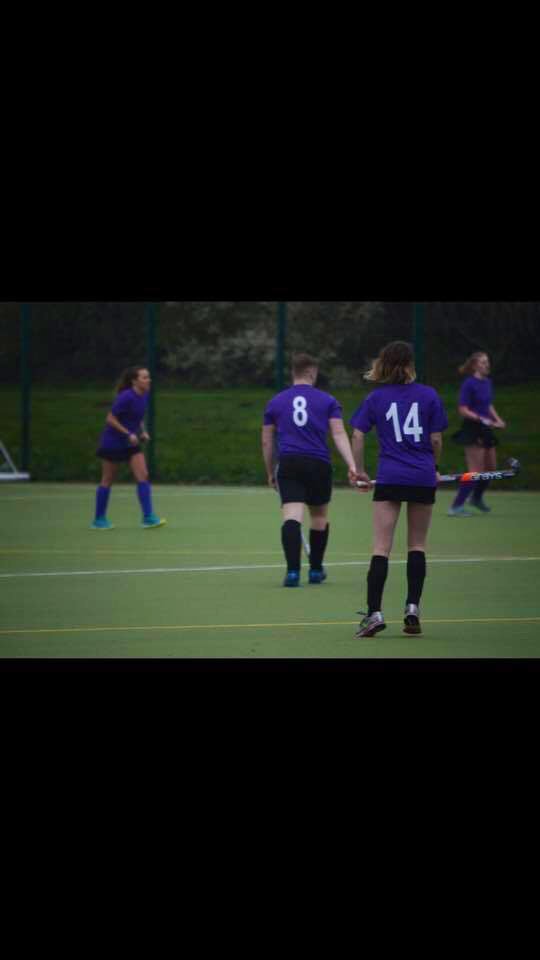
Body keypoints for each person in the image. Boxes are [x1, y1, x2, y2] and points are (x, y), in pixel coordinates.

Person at [350, 340, 448, 638]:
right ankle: (412, 608)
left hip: (390, 476)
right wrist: (433, 468)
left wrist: (359, 471)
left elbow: (357, 434)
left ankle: (374, 614)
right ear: (409, 364)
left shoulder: (376, 398)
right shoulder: (429, 395)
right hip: (421, 477)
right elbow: (435, 441)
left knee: (381, 547)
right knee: (416, 545)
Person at [262, 352, 358, 587]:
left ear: (293, 373)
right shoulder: (328, 401)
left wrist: (269, 471)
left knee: (292, 517)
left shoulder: (275, 401)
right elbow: (338, 433)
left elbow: (266, 441)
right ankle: (315, 570)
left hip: (289, 463)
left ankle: (292, 573)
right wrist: (353, 465)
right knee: (319, 516)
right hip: (318, 463)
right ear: (312, 372)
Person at [91, 366, 166, 530]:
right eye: (145, 378)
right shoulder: (125, 397)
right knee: (107, 480)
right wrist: (127, 433)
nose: (149, 380)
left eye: (149, 377)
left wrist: (143, 432)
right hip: (113, 442)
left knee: (143, 475)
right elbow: (110, 419)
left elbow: (137, 417)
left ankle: (148, 517)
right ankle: (99, 519)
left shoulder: (144, 395)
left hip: (130, 442)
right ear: (135, 381)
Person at [448, 351, 506, 517]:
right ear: (474, 365)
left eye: (487, 362)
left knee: (491, 469)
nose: (486, 365)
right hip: (472, 429)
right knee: (475, 471)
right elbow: (463, 409)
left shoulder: (487, 382)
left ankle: (476, 498)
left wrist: (498, 419)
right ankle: (456, 506)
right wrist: (482, 419)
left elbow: (488, 405)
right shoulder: (469, 384)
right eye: (482, 362)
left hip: (485, 429)